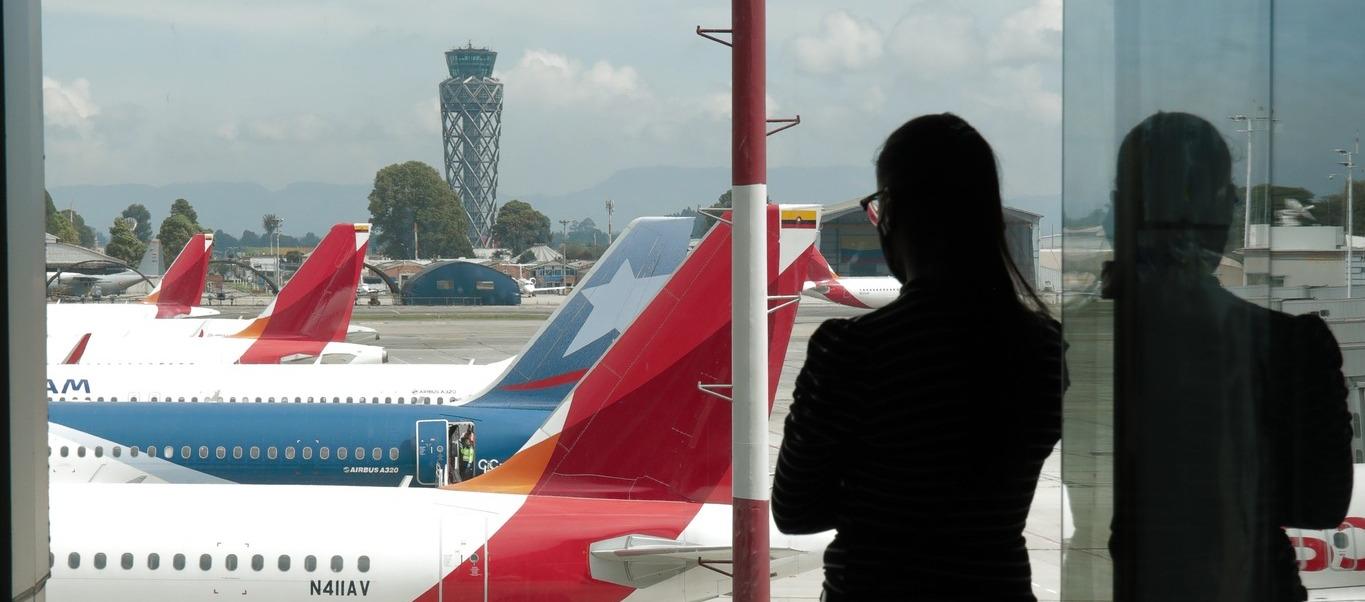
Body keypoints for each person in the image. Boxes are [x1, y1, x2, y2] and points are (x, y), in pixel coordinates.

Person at [773, 113, 1066, 600]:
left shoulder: (853, 349)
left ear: (896, 215)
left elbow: (794, 510)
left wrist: (883, 495)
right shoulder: (1045, 349)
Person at [1103, 112, 1352, 600]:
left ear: (1118, 214)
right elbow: (1321, 503)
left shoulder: (1083, 342)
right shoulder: (1288, 344)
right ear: (1222, 214)